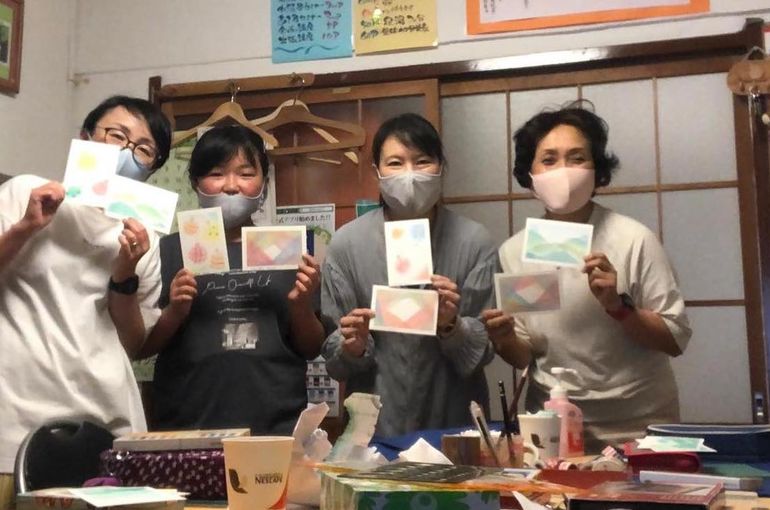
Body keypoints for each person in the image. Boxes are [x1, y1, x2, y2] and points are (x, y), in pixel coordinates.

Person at [483, 102, 691, 451]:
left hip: (638, 427)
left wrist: (618, 307)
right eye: (549, 160)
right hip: (553, 428)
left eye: (577, 158)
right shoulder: (515, 252)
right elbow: (524, 355)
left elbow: (675, 338)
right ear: (529, 173)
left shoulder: (633, 239)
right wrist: (503, 339)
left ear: (597, 170)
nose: (563, 171)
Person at [0, 95, 172, 506]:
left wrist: (124, 274)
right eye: (117, 135)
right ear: (85, 138)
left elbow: (133, 343)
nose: (127, 152)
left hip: (107, 419)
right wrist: (26, 227)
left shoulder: (145, 236)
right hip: (16, 418)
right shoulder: (25, 192)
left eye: (143, 149)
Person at [139, 125, 334, 435]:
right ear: (195, 182)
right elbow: (143, 346)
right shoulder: (168, 250)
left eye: (245, 174)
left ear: (264, 183)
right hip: (188, 421)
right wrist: (175, 310)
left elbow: (311, 348)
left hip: (275, 422)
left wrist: (300, 306)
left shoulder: (287, 249)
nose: (231, 186)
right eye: (216, 174)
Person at [321, 113, 498, 437]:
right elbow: (335, 361)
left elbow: (483, 352)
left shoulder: (474, 242)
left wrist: (451, 325)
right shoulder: (347, 245)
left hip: (455, 430)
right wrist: (352, 345)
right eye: (395, 163)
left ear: (441, 168)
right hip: (373, 431)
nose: (409, 174)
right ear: (376, 172)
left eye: (422, 161)